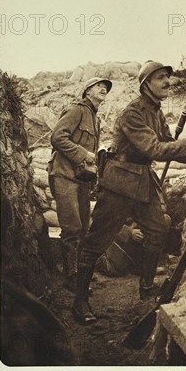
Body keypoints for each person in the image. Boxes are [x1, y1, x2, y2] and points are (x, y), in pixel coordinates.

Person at [72, 61, 186, 324]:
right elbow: (153, 149)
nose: (167, 82)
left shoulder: (156, 111)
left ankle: (146, 287)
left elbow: (168, 144)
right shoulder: (132, 113)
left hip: (142, 182)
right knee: (95, 243)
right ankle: (79, 302)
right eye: (161, 78)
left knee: (158, 228)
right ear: (146, 83)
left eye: (168, 77)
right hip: (119, 185)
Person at [48, 77, 112, 291]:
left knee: (84, 227)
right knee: (72, 228)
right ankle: (71, 276)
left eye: (106, 88)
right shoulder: (76, 110)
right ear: (87, 91)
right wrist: (83, 154)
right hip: (64, 176)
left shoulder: (95, 118)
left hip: (82, 180)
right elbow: (57, 137)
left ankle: (81, 274)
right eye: (98, 86)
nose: (103, 89)